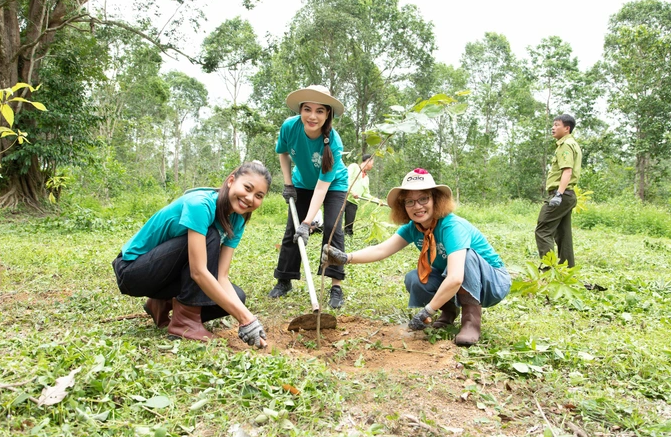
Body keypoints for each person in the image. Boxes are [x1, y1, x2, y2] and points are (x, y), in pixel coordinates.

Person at [321, 168, 511, 346]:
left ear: (435, 200)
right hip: (458, 281)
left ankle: (471, 320)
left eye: (423, 199)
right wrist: (345, 257)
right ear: (403, 206)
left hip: (491, 283)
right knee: (415, 278)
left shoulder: (451, 226)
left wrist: (427, 311)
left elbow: (455, 277)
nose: (417, 206)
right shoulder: (414, 228)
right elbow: (381, 250)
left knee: (466, 257)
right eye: (409, 202)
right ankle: (448, 312)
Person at [111, 162, 270, 348]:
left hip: (164, 277)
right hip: (133, 272)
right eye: (247, 188)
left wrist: (249, 318)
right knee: (210, 235)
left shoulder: (237, 220)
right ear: (231, 181)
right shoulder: (200, 205)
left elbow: (221, 277)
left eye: (259, 196)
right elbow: (198, 272)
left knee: (237, 297)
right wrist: (244, 318)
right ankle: (184, 322)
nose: (250, 198)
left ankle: (162, 304)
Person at [269, 85, 349, 309]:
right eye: (307, 109)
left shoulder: (334, 142)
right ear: (300, 110)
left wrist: (308, 223)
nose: (312, 116)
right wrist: (288, 184)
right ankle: (284, 280)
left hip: (334, 185)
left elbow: (322, 189)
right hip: (302, 181)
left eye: (320, 111)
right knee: (292, 230)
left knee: (333, 228)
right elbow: (282, 153)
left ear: (328, 114)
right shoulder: (290, 127)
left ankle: (335, 286)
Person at [535, 114, 582, 268]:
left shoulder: (566, 145)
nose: (553, 128)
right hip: (568, 195)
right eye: (553, 125)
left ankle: (548, 271)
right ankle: (568, 271)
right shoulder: (572, 144)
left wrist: (558, 194)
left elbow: (567, 171)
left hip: (561, 194)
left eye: (557, 125)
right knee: (563, 235)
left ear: (567, 128)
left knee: (542, 231)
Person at [344, 154, 384, 236]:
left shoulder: (366, 178)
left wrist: (377, 200)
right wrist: (351, 191)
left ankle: (348, 239)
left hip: (353, 202)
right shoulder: (354, 167)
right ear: (367, 161)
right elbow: (345, 179)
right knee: (335, 221)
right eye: (372, 163)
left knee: (349, 227)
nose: (372, 166)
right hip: (343, 198)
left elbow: (366, 194)